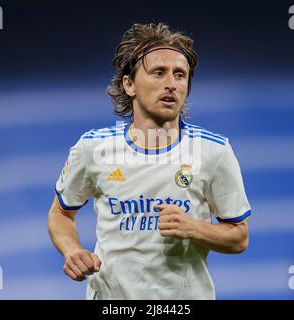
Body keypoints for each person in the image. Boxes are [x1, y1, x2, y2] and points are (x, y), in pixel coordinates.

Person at [47, 22, 251, 300]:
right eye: (159, 73)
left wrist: (194, 228)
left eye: (180, 75)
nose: (171, 83)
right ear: (129, 84)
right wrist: (72, 250)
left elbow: (239, 237)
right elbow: (61, 213)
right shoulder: (94, 148)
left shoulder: (213, 151)